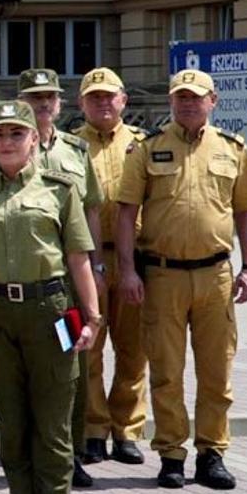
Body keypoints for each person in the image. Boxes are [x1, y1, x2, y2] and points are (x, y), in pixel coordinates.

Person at [116, 68, 247, 491]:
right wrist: (127, 270)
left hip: (216, 275)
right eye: (180, 97)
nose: (187, 103)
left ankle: (212, 453)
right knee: (166, 371)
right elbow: (126, 213)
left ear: (212, 101)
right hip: (163, 275)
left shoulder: (233, 148)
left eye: (196, 97)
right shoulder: (148, 148)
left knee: (216, 371)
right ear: (171, 101)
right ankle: (171, 454)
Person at [0, 100, 100, 494]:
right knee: (13, 426)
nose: (7, 142)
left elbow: (79, 257)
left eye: (16, 134)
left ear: (32, 139)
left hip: (50, 310)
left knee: (52, 426)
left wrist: (92, 317)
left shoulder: (59, 189)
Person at [18, 67, 103, 489]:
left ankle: (72, 454)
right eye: (34, 98)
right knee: (25, 373)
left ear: (59, 102)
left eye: (48, 97)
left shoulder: (75, 150)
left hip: (68, 283)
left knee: (71, 369)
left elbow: (91, 211)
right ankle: (33, 453)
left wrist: (96, 267)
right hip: (28, 278)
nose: (42, 104)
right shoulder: (5, 145)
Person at [74, 68, 149, 469]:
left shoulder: (143, 145)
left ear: (124, 100)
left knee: (133, 350)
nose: (102, 103)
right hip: (87, 261)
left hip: (133, 261)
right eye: (94, 97)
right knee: (89, 350)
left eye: (109, 96)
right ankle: (93, 428)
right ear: (81, 103)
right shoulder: (71, 146)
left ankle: (127, 431)